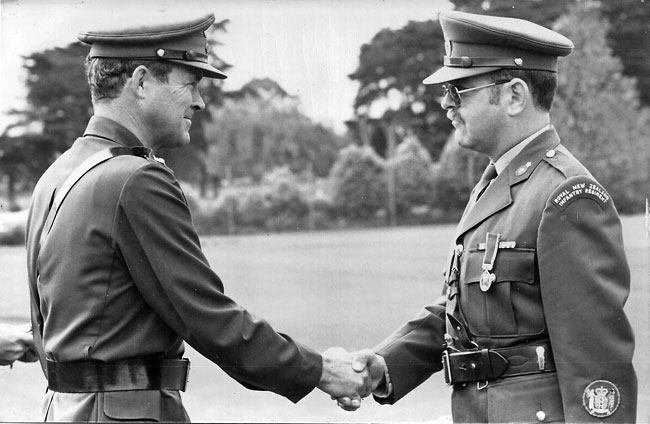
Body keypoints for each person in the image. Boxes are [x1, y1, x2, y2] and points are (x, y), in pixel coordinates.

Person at [25, 13, 372, 422]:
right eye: (189, 83)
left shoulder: (59, 174)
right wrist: (321, 371)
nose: (199, 101)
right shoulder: (136, 178)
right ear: (140, 82)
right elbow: (208, 317)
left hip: (64, 409)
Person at [338, 10, 637, 423]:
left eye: (459, 90)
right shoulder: (497, 183)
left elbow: (597, 365)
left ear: (514, 95)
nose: (446, 103)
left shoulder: (566, 196)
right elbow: (465, 314)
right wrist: (387, 364)